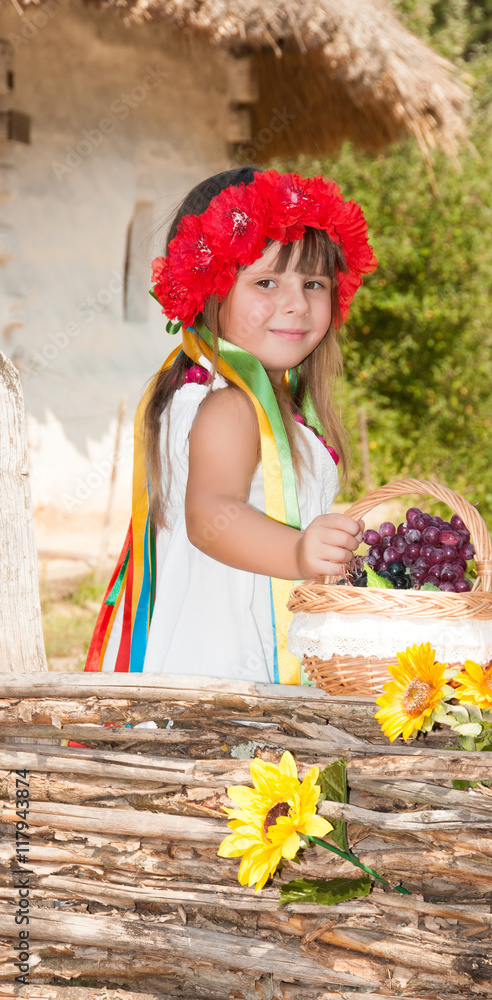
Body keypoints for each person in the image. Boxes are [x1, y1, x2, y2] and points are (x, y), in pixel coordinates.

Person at [85, 167, 377, 683]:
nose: (296, 303)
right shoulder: (230, 406)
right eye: (266, 282)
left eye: (314, 283)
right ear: (209, 291)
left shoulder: (246, 397)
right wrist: (296, 552)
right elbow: (210, 513)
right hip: (228, 670)